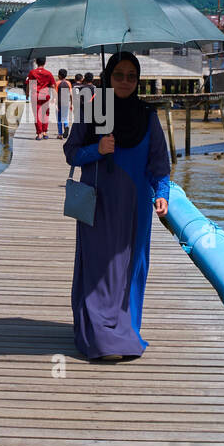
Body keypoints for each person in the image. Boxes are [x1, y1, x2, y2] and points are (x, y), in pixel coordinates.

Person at [63, 52, 170, 362]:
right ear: (108, 76)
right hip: (98, 205)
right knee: (100, 269)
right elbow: (71, 153)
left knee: (131, 267)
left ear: (138, 81)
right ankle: (99, 335)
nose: (125, 81)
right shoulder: (93, 110)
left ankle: (126, 328)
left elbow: (159, 164)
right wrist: (97, 148)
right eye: (119, 75)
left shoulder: (148, 116)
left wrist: (162, 193)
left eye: (131, 76)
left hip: (136, 206)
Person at [25, 56, 57, 139]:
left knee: (37, 115)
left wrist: (27, 94)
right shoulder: (48, 73)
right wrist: (54, 97)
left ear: (36, 62)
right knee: (45, 114)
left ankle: (39, 134)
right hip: (45, 95)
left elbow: (28, 84)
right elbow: (53, 86)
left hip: (35, 96)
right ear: (45, 63)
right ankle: (45, 132)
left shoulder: (32, 72)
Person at [56, 69, 72, 138]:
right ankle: (66, 126)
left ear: (59, 75)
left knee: (59, 119)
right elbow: (71, 94)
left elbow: (55, 94)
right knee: (65, 117)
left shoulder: (57, 83)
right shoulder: (68, 83)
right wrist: (71, 103)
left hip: (59, 103)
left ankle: (60, 134)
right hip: (66, 103)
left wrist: (56, 104)